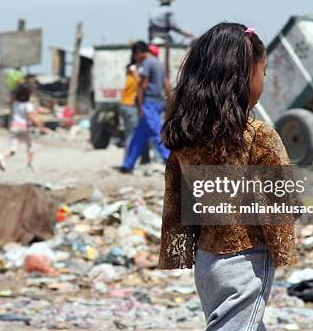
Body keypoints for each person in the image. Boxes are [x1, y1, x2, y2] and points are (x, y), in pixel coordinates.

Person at [158, 23, 298, 330]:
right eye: (263, 71)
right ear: (245, 76)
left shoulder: (186, 139)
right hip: (247, 260)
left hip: (207, 262)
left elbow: (178, 201)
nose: (264, 79)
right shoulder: (257, 136)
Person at [120, 41, 170, 173]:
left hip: (149, 103)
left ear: (138, 52)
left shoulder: (147, 64)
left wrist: (140, 106)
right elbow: (166, 84)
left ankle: (170, 159)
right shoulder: (158, 63)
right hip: (157, 102)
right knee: (139, 134)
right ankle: (128, 164)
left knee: (155, 131)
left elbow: (142, 86)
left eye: (134, 55)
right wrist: (170, 101)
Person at [0, 82, 48, 171]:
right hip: (24, 128)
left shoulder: (15, 103)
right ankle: (30, 165)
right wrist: (42, 128)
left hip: (14, 127)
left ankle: (1, 156)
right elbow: (33, 118)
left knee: (13, 149)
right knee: (30, 146)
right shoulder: (28, 105)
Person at [119, 53, 151, 164]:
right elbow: (140, 83)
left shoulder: (130, 71)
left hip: (126, 105)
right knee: (132, 135)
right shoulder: (134, 72)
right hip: (130, 106)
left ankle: (142, 159)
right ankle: (127, 162)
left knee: (131, 134)